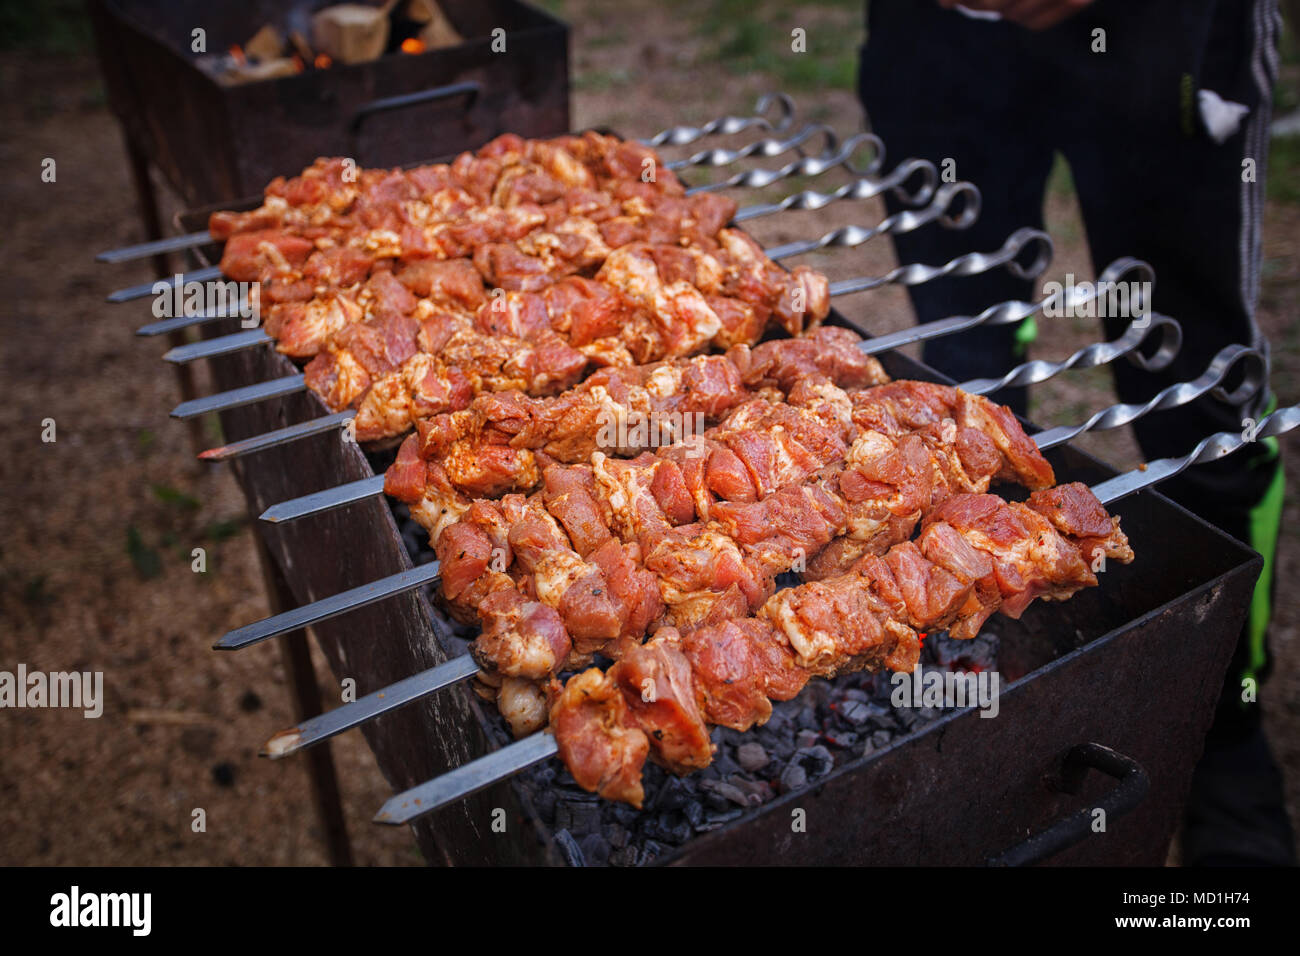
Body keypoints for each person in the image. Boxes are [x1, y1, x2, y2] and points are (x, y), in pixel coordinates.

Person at [858, 0, 1294, 865]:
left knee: (1198, 385)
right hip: (937, 34)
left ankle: (1228, 726)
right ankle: (974, 667)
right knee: (962, 368)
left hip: (1165, 32)